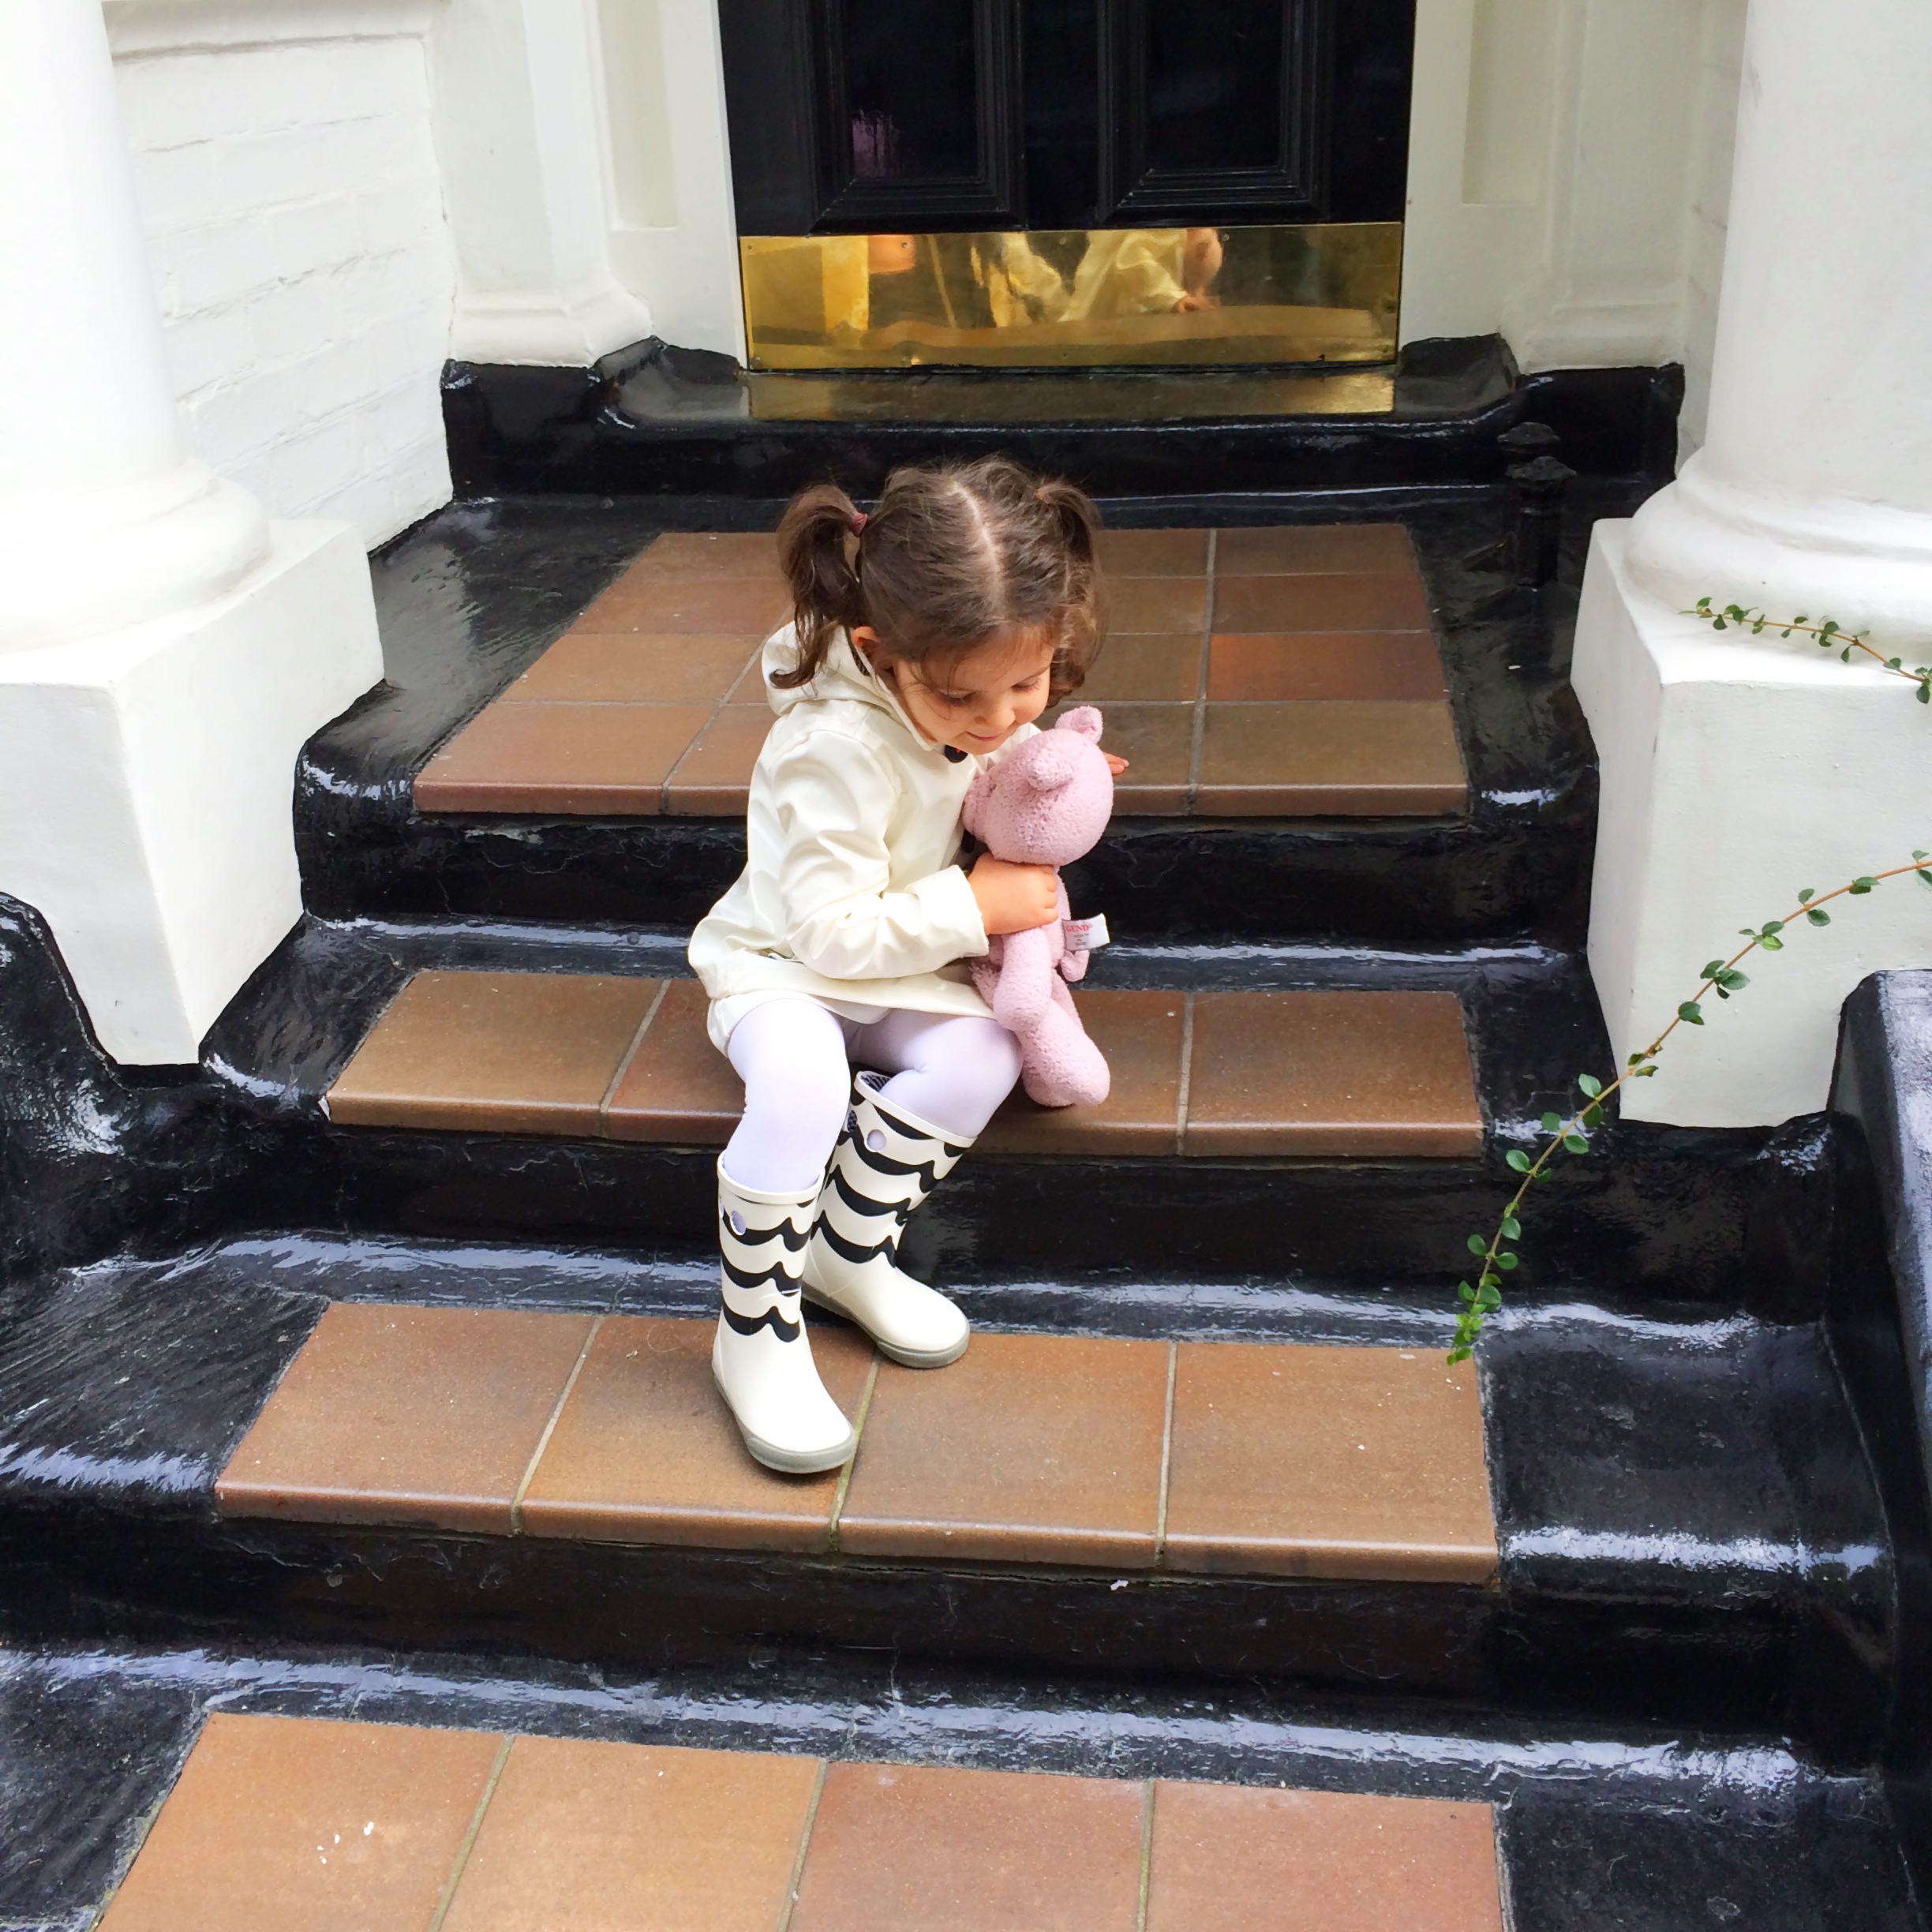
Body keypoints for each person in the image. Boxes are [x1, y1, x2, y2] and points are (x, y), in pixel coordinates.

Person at [687, 457, 1124, 1473]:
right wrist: (974, 906)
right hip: (783, 966)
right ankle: (752, 1328)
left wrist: (1043, 767)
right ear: (880, 655)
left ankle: (845, 1251)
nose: (1000, 717)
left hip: (895, 967)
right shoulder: (832, 748)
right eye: (966, 695)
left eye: (1029, 683)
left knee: (985, 1057)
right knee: (804, 1087)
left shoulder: (966, 701)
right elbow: (828, 933)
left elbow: (987, 755)